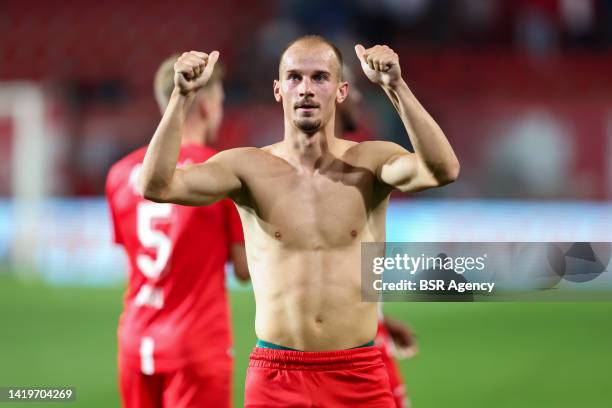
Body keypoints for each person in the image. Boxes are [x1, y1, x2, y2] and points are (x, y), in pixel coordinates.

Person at [140, 35, 460, 407]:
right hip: (277, 375)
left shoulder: (372, 163)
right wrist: (181, 97)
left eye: (320, 78)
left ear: (341, 91)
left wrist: (395, 86)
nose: (306, 89)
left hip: (358, 374)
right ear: (278, 90)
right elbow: (157, 186)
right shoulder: (246, 168)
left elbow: (443, 170)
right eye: (294, 77)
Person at [105, 55, 248, 408]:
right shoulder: (218, 172)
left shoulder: (120, 174)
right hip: (194, 346)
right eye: (221, 101)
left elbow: (133, 259)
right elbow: (245, 270)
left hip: (136, 340)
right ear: (207, 105)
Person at [337, 65, 417, 408]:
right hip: (351, 352)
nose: (357, 96)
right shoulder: (351, 169)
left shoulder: (363, 156)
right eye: (351, 86)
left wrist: (379, 315)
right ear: (336, 93)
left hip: (368, 333)